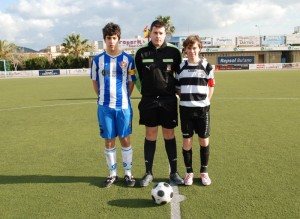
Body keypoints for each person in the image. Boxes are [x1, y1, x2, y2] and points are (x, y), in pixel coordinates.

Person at [135, 19, 184, 187]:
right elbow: (137, 77)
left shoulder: (174, 52)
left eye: (161, 33)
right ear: (150, 33)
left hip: (168, 101)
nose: (158, 36)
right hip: (149, 101)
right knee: (150, 135)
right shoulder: (141, 52)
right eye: (155, 33)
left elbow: (180, 74)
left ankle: (174, 172)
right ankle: (148, 173)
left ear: (165, 34)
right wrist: (145, 92)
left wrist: (176, 91)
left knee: (169, 135)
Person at [90, 22, 137, 188]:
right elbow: (95, 82)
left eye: (114, 38)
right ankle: (112, 174)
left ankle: (128, 174)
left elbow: (131, 82)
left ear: (119, 39)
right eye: (108, 38)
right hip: (105, 107)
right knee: (109, 140)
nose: (111, 41)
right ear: (104, 39)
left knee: (125, 139)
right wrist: (104, 98)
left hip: (123, 107)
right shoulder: (97, 61)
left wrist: (124, 97)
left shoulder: (128, 60)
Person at [175, 35, 215, 186]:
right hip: (186, 110)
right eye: (189, 48)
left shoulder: (206, 66)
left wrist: (206, 101)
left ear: (199, 49)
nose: (192, 51)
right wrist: (186, 98)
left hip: (202, 110)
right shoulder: (180, 67)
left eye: (194, 48)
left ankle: (204, 172)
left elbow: (211, 85)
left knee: (204, 141)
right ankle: (189, 172)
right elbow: (177, 88)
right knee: (187, 141)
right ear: (185, 50)